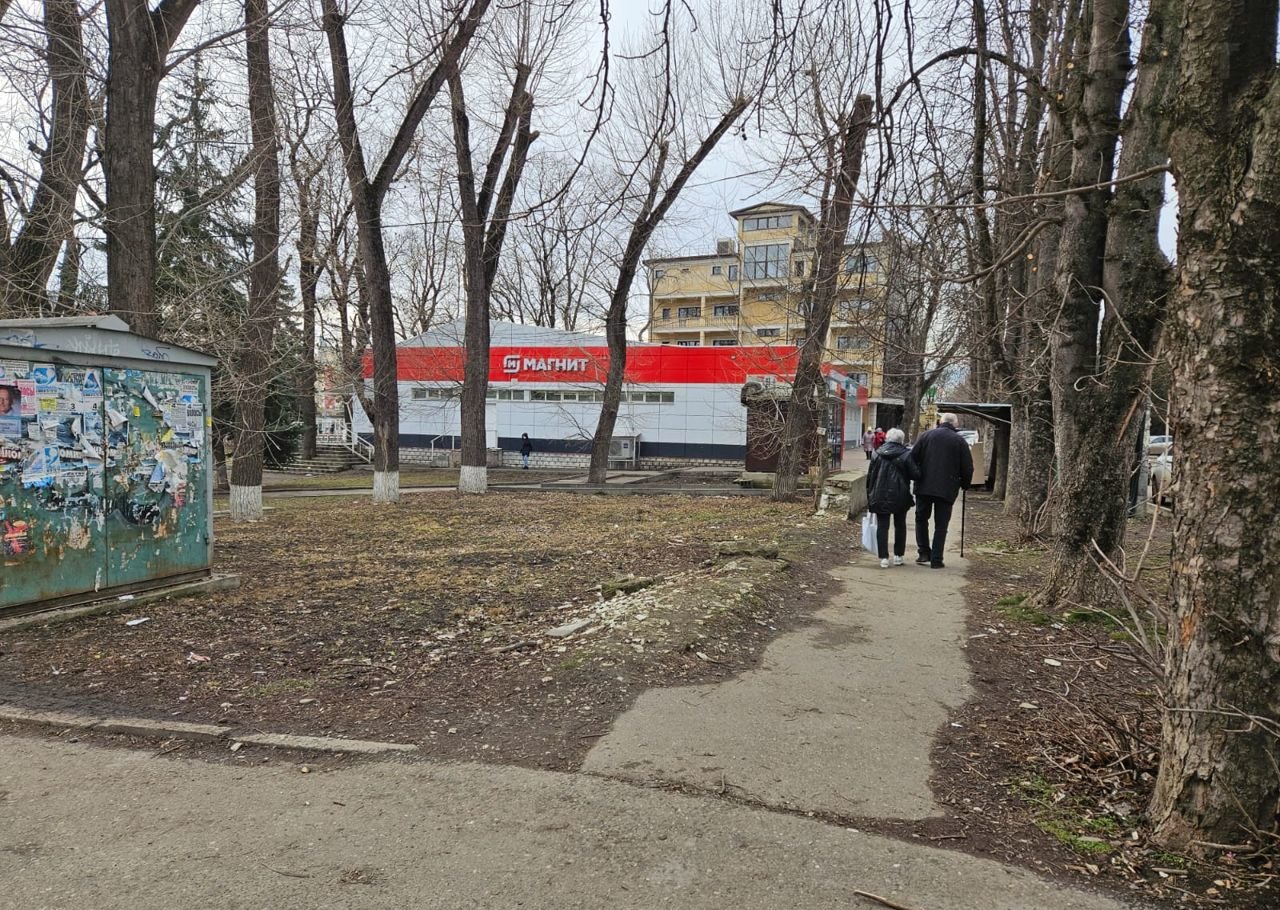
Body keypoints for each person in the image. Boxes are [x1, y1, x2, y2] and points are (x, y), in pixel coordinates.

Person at [908, 413, 974, 569]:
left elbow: (911, 458)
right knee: (941, 524)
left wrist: (916, 475)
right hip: (947, 488)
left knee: (921, 519)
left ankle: (924, 552)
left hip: (923, 486)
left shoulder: (925, 436)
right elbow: (967, 467)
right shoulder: (959, 441)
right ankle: (937, 559)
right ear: (955, 424)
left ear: (940, 421)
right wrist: (965, 484)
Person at [865, 427, 920, 568]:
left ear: (887, 438)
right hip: (900, 494)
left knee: (882, 526)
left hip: (880, 493)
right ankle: (898, 556)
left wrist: (869, 494)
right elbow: (915, 474)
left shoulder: (877, 454)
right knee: (900, 525)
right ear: (901, 440)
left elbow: (870, 476)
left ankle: (883, 557)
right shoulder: (906, 454)